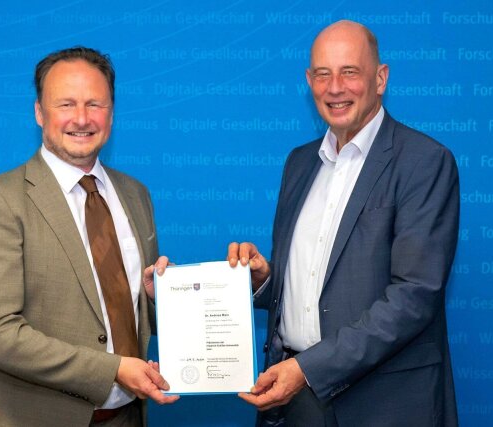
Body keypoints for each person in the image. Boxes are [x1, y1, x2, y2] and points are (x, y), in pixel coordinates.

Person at [149, 19, 459, 426]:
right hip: (294, 403)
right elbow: (313, 284)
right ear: (308, 81)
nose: (334, 87)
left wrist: (309, 368)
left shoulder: (423, 161)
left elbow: (414, 296)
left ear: (380, 78)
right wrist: (264, 280)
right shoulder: (300, 163)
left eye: (349, 72)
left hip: (382, 403)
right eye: (322, 74)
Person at [0, 46, 178, 427]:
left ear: (112, 112)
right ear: (39, 113)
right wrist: (111, 369)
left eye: (95, 104)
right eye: (66, 104)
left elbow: (125, 317)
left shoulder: (135, 194)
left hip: (128, 416)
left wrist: (156, 300)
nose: (81, 118)